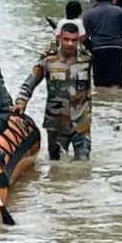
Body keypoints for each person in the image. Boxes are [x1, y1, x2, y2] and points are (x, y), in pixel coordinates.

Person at [15, 23, 92, 160]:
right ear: (59, 38)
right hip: (57, 124)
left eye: (74, 40)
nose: (69, 44)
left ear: (79, 40)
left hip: (81, 123)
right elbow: (29, 84)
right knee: (56, 167)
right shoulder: (48, 60)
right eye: (66, 39)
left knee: (83, 165)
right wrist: (21, 103)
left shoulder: (87, 59)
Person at [83, 0, 122, 88]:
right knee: (115, 83)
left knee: (99, 83)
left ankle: (102, 103)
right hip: (116, 49)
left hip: (98, 49)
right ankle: (115, 103)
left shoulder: (89, 14)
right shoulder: (119, 11)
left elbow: (85, 36)